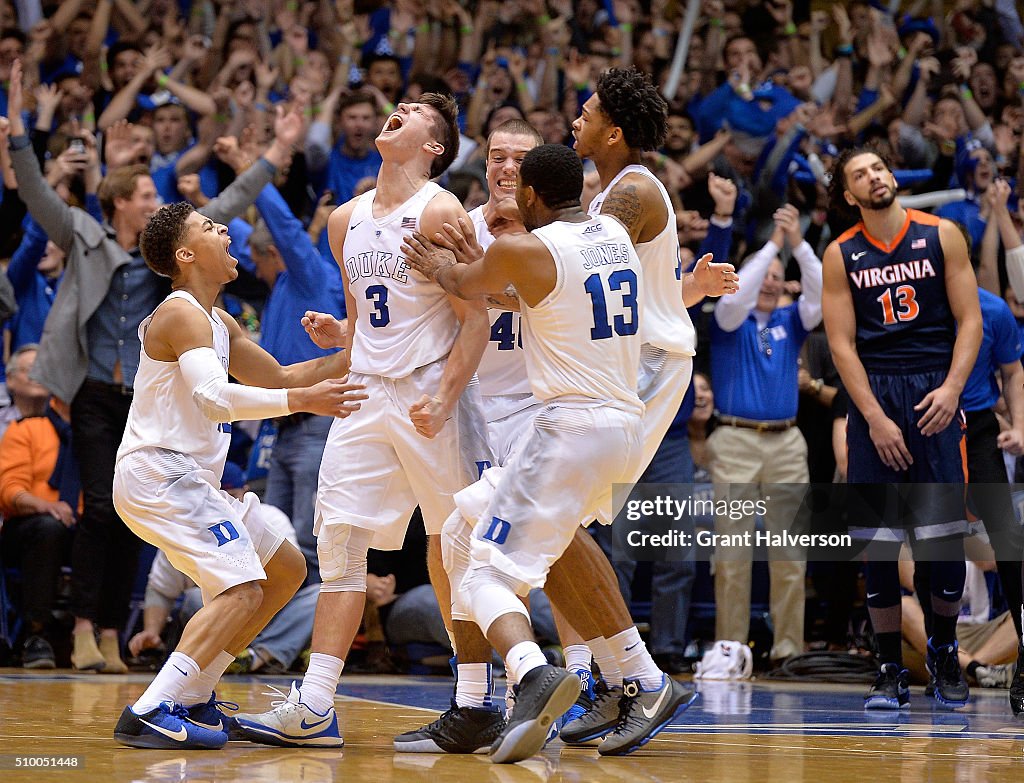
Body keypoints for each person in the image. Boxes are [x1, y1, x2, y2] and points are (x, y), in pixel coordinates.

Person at [6, 58, 304, 674]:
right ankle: (94, 632)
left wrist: (274, 153)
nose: (153, 200)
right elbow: (36, 196)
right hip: (97, 390)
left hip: (153, 402)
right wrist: (20, 136)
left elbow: (229, 201)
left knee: (137, 524)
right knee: (98, 508)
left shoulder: (180, 275)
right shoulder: (87, 237)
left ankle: (127, 638)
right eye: (144, 194)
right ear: (120, 203)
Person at [401, 142, 687, 764]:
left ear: (529, 195)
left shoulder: (523, 250)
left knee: (479, 572)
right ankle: (637, 677)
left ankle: (534, 673)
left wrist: (441, 265)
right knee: (471, 530)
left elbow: (465, 285)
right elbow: (531, 296)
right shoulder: (614, 230)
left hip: (568, 430)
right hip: (623, 426)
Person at [232, 93, 491, 749]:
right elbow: (371, 329)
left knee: (452, 544)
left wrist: (447, 393)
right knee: (339, 543)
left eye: (416, 112)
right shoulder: (344, 219)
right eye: (396, 105)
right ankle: (316, 703)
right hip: (365, 391)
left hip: (428, 389)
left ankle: (476, 700)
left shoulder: (440, 209)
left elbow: (473, 319)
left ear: (435, 147)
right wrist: (341, 335)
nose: (398, 108)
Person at [111, 200, 366, 750]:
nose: (225, 230)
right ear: (185, 255)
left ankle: (196, 691)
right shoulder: (180, 311)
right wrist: (302, 398)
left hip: (188, 478)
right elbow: (212, 397)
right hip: (159, 471)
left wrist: (358, 342)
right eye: (209, 227)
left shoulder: (218, 319)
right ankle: (153, 707)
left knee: (283, 568)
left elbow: (279, 375)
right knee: (242, 586)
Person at [821, 147, 983, 710]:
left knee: (942, 537)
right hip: (877, 393)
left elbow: (970, 319)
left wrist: (953, 388)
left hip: (935, 388)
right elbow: (841, 344)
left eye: (879, 168)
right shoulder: (841, 253)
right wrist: (872, 417)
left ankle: (942, 648)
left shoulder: (942, 234)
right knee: (880, 542)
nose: (875, 177)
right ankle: (889, 665)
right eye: (861, 174)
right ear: (849, 195)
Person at [707, 203, 823, 663]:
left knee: (791, 554)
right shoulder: (727, 320)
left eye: (779, 276)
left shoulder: (791, 321)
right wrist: (774, 245)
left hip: (787, 442)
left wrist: (797, 244)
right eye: (766, 275)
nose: (772, 281)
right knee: (733, 555)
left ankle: (788, 652)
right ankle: (730, 649)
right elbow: (739, 295)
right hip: (734, 439)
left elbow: (816, 290)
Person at [0, 348, 78, 669]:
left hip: (75, 524)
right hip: (26, 527)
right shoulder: (24, 428)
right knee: (49, 527)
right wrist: (47, 506)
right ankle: (37, 634)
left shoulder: (85, 434)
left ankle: (100, 632)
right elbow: (8, 491)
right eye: (30, 369)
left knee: (109, 527)